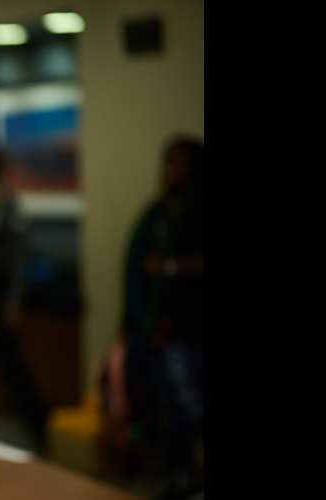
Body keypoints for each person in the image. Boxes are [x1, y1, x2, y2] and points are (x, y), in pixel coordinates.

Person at [121, 135, 204, 500]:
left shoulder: (198, 209)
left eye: (180, 160)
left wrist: (168, 267)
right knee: (167, 405)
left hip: (188, 326)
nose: (172, 167)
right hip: (154, 329)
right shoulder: (158, 212)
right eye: (168, 159)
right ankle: (183, 475)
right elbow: (136, 268)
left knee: (191, 405)